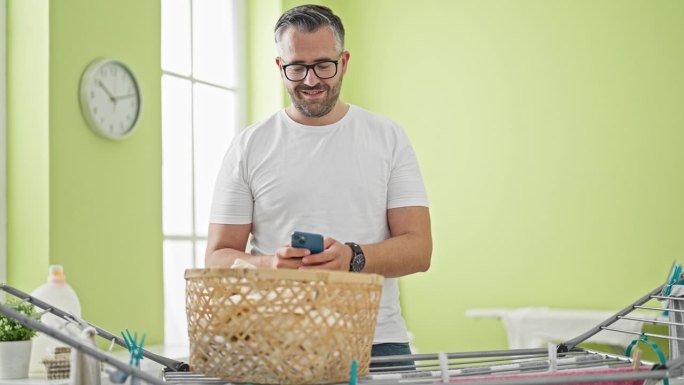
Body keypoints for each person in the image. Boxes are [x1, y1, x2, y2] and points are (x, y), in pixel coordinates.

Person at [205, 4, 432, 364]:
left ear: (344, 61)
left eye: (323, 65)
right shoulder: (249, 146)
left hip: (377, 344)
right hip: (275, 345)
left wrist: (352, 258)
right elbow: (217, 259)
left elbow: (420, 250)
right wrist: (269, 267)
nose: (311, 81)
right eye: (297, 67)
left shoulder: (388, 137)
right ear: (280, 67)